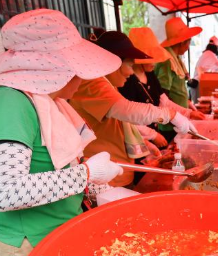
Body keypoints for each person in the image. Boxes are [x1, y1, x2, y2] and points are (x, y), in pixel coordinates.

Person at [0, 9, 124, 256]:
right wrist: (87, 173)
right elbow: (5, 192)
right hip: (27, 251)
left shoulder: (44, 104)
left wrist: (92, 183)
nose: (81, 77)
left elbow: (50, 167)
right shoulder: (7, 105)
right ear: (52, 67)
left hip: (56, 239)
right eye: (75, 67)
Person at [70, 31, 198, 188]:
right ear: (113, 62)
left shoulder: (109, 85)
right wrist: (170, 115)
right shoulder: (91, 83)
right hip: (105, 180)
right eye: (130, 65)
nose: (131, 72)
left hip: (119, 172)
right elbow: (127, 111)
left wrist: (144, 143)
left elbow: (118, 124)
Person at [118, 27, 171, 149]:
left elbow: (163, 101)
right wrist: (152, 135)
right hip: (136, 141)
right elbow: (127, 117)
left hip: (153, 135)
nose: (154, 62)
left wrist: (184, 114)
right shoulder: (126, 81)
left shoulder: (150, 73)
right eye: (151, 58)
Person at [155, 17, 203, 141]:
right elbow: (163, 95)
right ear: (182, 42)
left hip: (179, 116)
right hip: (171, 122)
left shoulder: (175, 57)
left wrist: (187, 103)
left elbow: (177, 88)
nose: (188, 47)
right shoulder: (167, 60)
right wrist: (176, 116)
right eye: (189, 42)